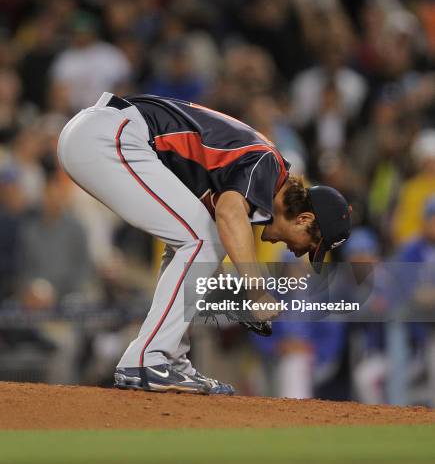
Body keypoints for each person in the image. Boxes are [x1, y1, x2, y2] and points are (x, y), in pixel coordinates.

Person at [57, 92, 352, 395]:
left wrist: (238, 302)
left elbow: (206, 258)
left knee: (197, 240)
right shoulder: (269, 165)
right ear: (303, 219)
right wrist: (257, 290)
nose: (302, 252)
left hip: (103, 135)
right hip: (111, 135)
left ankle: (169, 357)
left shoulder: (260, 182)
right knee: (203, 240)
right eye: (312, 244)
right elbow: (227, 214)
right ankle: (147, 359)